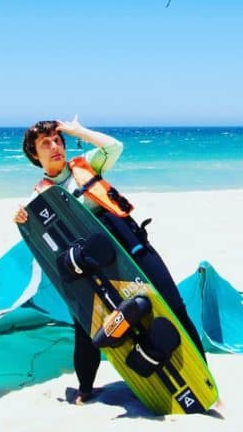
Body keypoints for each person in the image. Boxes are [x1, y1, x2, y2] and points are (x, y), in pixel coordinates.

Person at [14, 115, 205, 405]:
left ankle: (202, 373)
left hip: (131, 247)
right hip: (92, 266)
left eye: (58, 140)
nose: (55, 146)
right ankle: (85, 388)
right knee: (85, 326)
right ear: (33, 154)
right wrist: (22, 219)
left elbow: (114, 147)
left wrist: (78, 131)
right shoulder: (38, 196)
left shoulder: (85, 164)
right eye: (45, 143)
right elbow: (39, 239)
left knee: (174, 305)